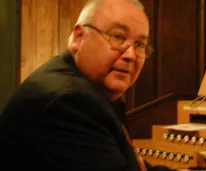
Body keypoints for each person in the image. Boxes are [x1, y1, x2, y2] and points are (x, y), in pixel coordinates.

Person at [0, 0, 175, 170]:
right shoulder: (69, 103)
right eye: (117, 36)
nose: (131, 55)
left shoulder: (93, 90)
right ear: (79, 37)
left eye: (139, 44)